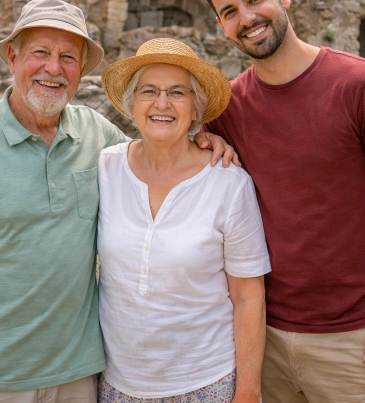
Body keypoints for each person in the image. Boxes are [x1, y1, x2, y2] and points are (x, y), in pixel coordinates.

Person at [0, 0, 236, 402]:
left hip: (79, 376)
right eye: (41, 53)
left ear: (81, 70)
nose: (53, 68)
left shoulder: (96, 134)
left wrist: (200, 140)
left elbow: (156, 157)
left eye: (68, 57)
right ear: (13, 57)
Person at [200, 0, 365, 402]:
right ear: (220, 25)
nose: (246, 18)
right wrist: (203, 142)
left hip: (353, 342)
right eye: (229, 12)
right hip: (258, 339)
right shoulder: (225, 108)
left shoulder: (364, 86)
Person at [97, 38, 270, 403]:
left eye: (178, 92)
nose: (162, 103)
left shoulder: (229, 183)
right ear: (132, 104)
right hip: (119, 383)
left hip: (206, 382)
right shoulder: (105, 168)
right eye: (149, 91)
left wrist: (249, 391)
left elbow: (248, 295)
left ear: (195, 110)